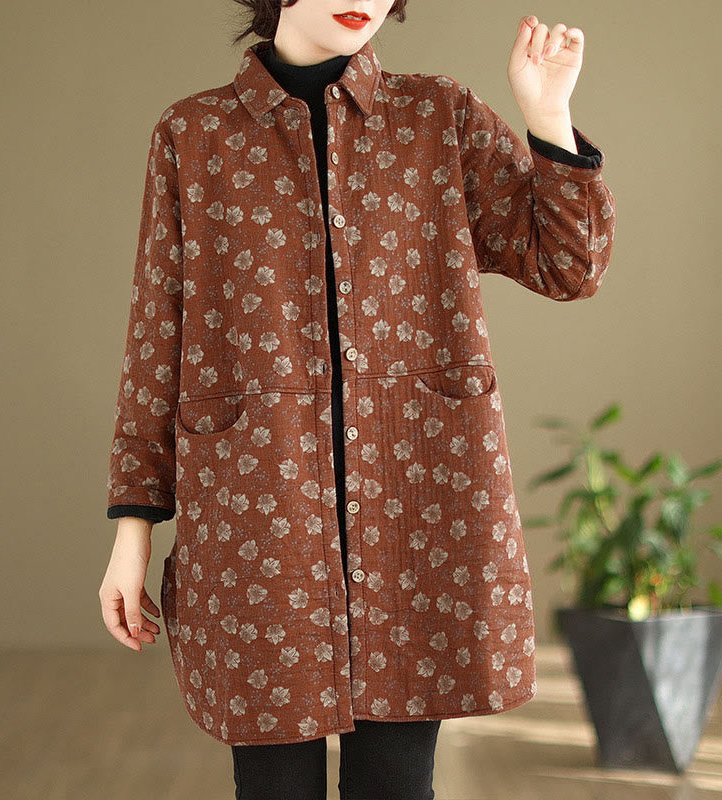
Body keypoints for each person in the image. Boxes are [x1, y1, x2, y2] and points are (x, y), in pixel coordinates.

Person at [98, 2, 615, 798]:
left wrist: (548, 117)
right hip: (256, 523)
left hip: (420, 513)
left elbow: (568, 264)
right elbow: (156, 336)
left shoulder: (438, 115)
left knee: (397, 784)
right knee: (272, 785)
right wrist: (133, 531)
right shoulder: (193, 136)